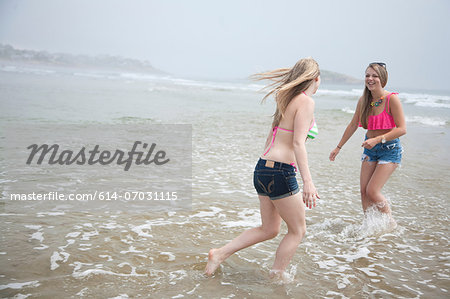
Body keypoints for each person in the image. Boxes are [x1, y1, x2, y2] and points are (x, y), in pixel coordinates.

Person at [205, 57, 321, 278]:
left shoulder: (285, 99)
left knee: (270, 229)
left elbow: (272, 136)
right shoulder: (306, 102)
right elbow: (297, 143)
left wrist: (268, 168)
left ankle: (219, 254)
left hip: (263, 168)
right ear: (315, 79)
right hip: (280, 170)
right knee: (297, 231)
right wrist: (308, 181)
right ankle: (276, 278)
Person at [329, 62, 406, 220]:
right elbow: (353, 125)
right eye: (367, 75)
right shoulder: (364, 100)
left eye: (374, 76)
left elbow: (402, 129)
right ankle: (369, 225)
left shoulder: (392, 99)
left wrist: (378, 139)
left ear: (382, 79)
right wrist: (338, 147)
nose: (370, 79)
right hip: (370, 149)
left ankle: (389, 223)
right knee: (364, 192)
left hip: (389, 149)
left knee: (373, 191)